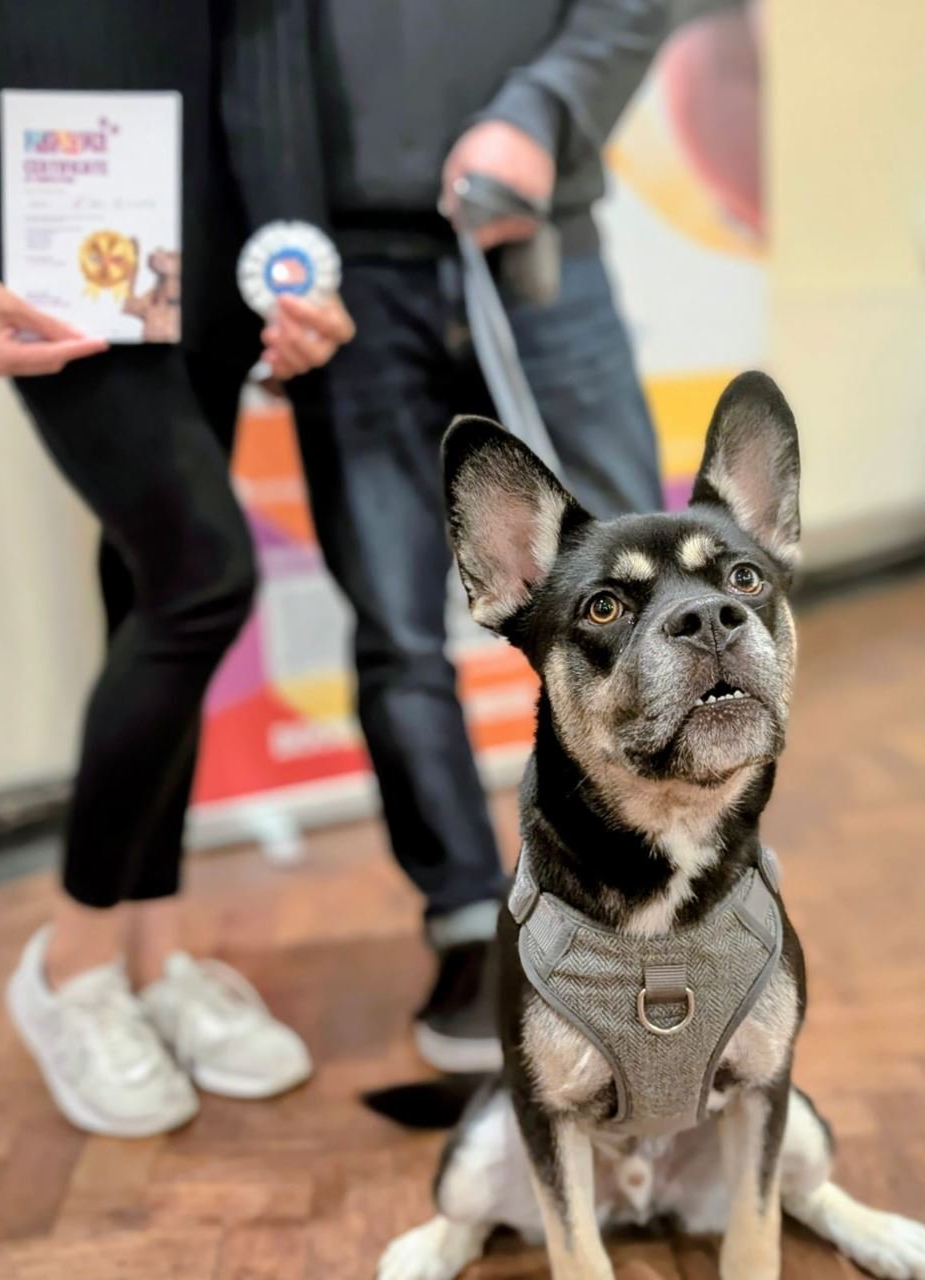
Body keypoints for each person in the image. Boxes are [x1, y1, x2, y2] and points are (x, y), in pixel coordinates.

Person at [0, 0, 353, 1136]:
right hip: (45, 221)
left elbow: (271, 28)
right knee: (202, 576)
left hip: (210, 220)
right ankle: (70, 966)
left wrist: (292, 245)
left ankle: (151, 952)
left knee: (150, 579)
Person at [262, 0, 670, 1071]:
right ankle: (465, 922)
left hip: (538, 237)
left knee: (644, 601)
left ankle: (652, 903)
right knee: (396, 626)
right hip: (341, 268)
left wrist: (539, 111)